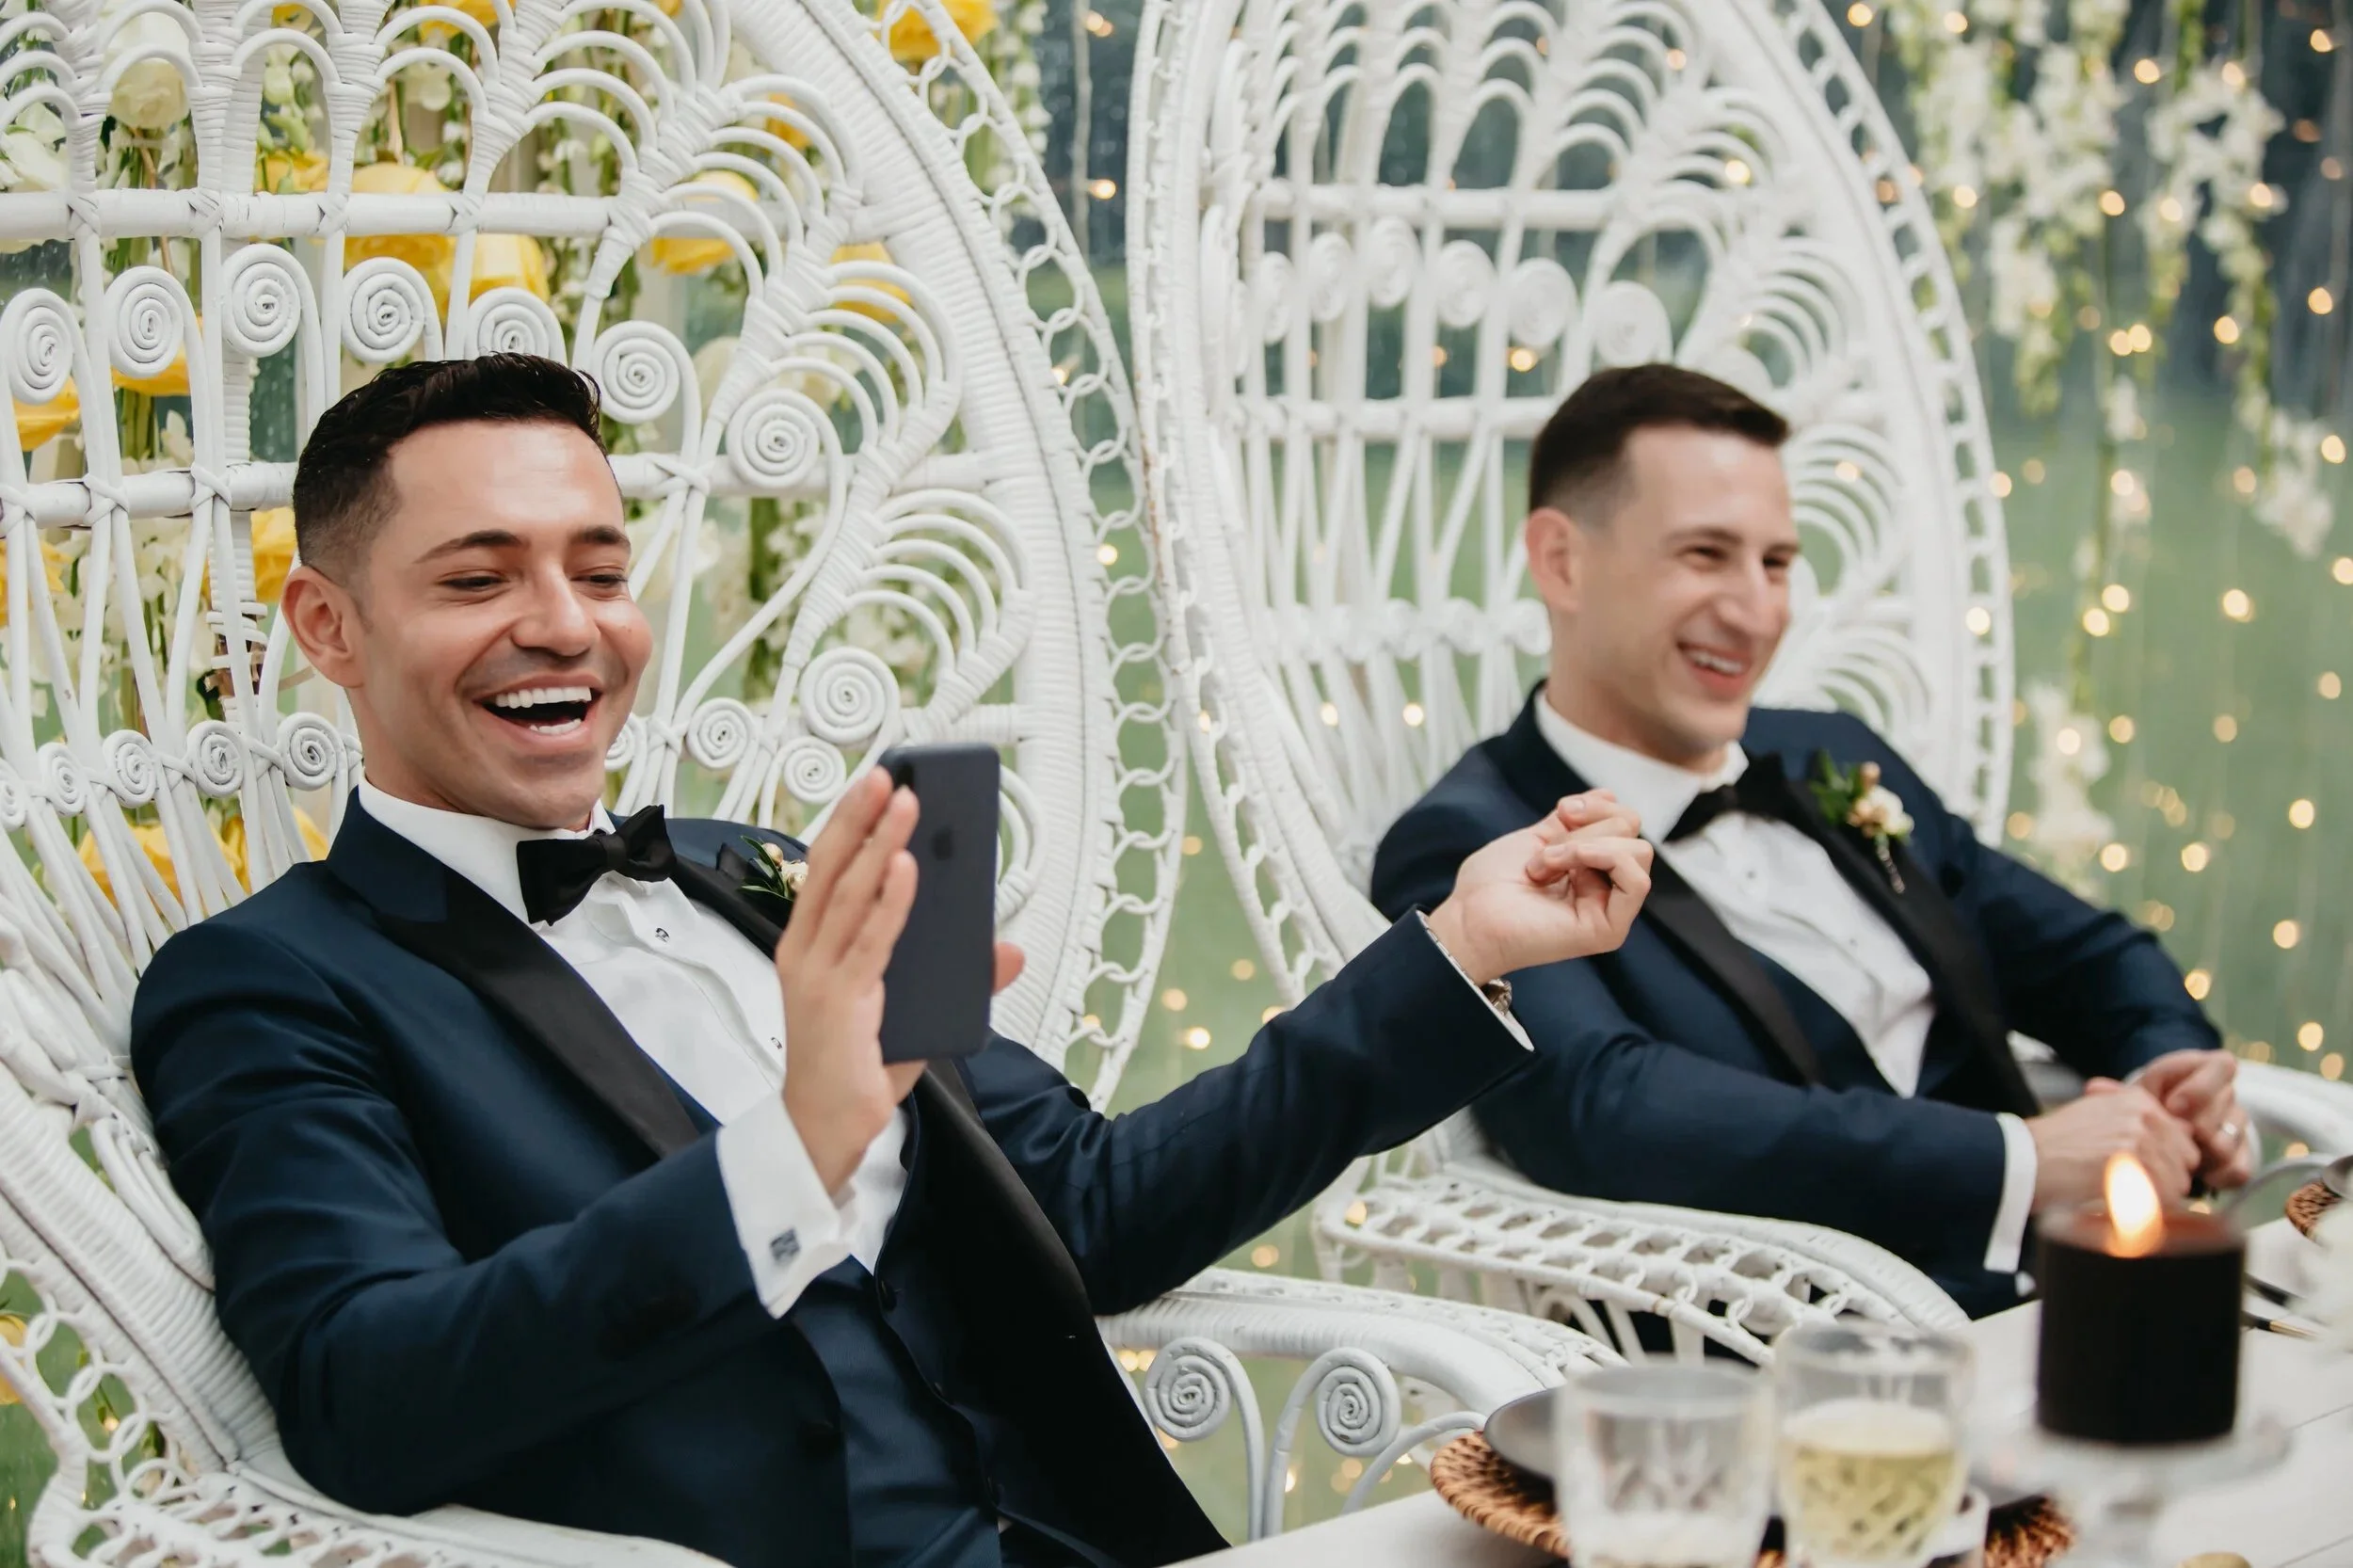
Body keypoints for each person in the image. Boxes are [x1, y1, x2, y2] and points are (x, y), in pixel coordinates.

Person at [132, 355, 1656, 1568]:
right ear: (328, 626)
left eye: (599, 570)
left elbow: (1097, 1205)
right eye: (478, 580)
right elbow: (369, 1397)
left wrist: (1460, 947)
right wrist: (793, 1148)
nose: (564, 626)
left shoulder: (763, 874)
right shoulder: (266, 983)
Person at [1371, 364, 2249, 1319]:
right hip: (1813, 1350)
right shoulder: (1472, 843)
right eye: (1705, 554)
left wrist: (2169, 1075)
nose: (1756, 613)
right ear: (1561, 561)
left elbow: (2091, 956)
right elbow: (1601, 1108)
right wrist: (2019, 1161)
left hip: (2101, 1287)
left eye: (1777, 562)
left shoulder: (1832, 753)